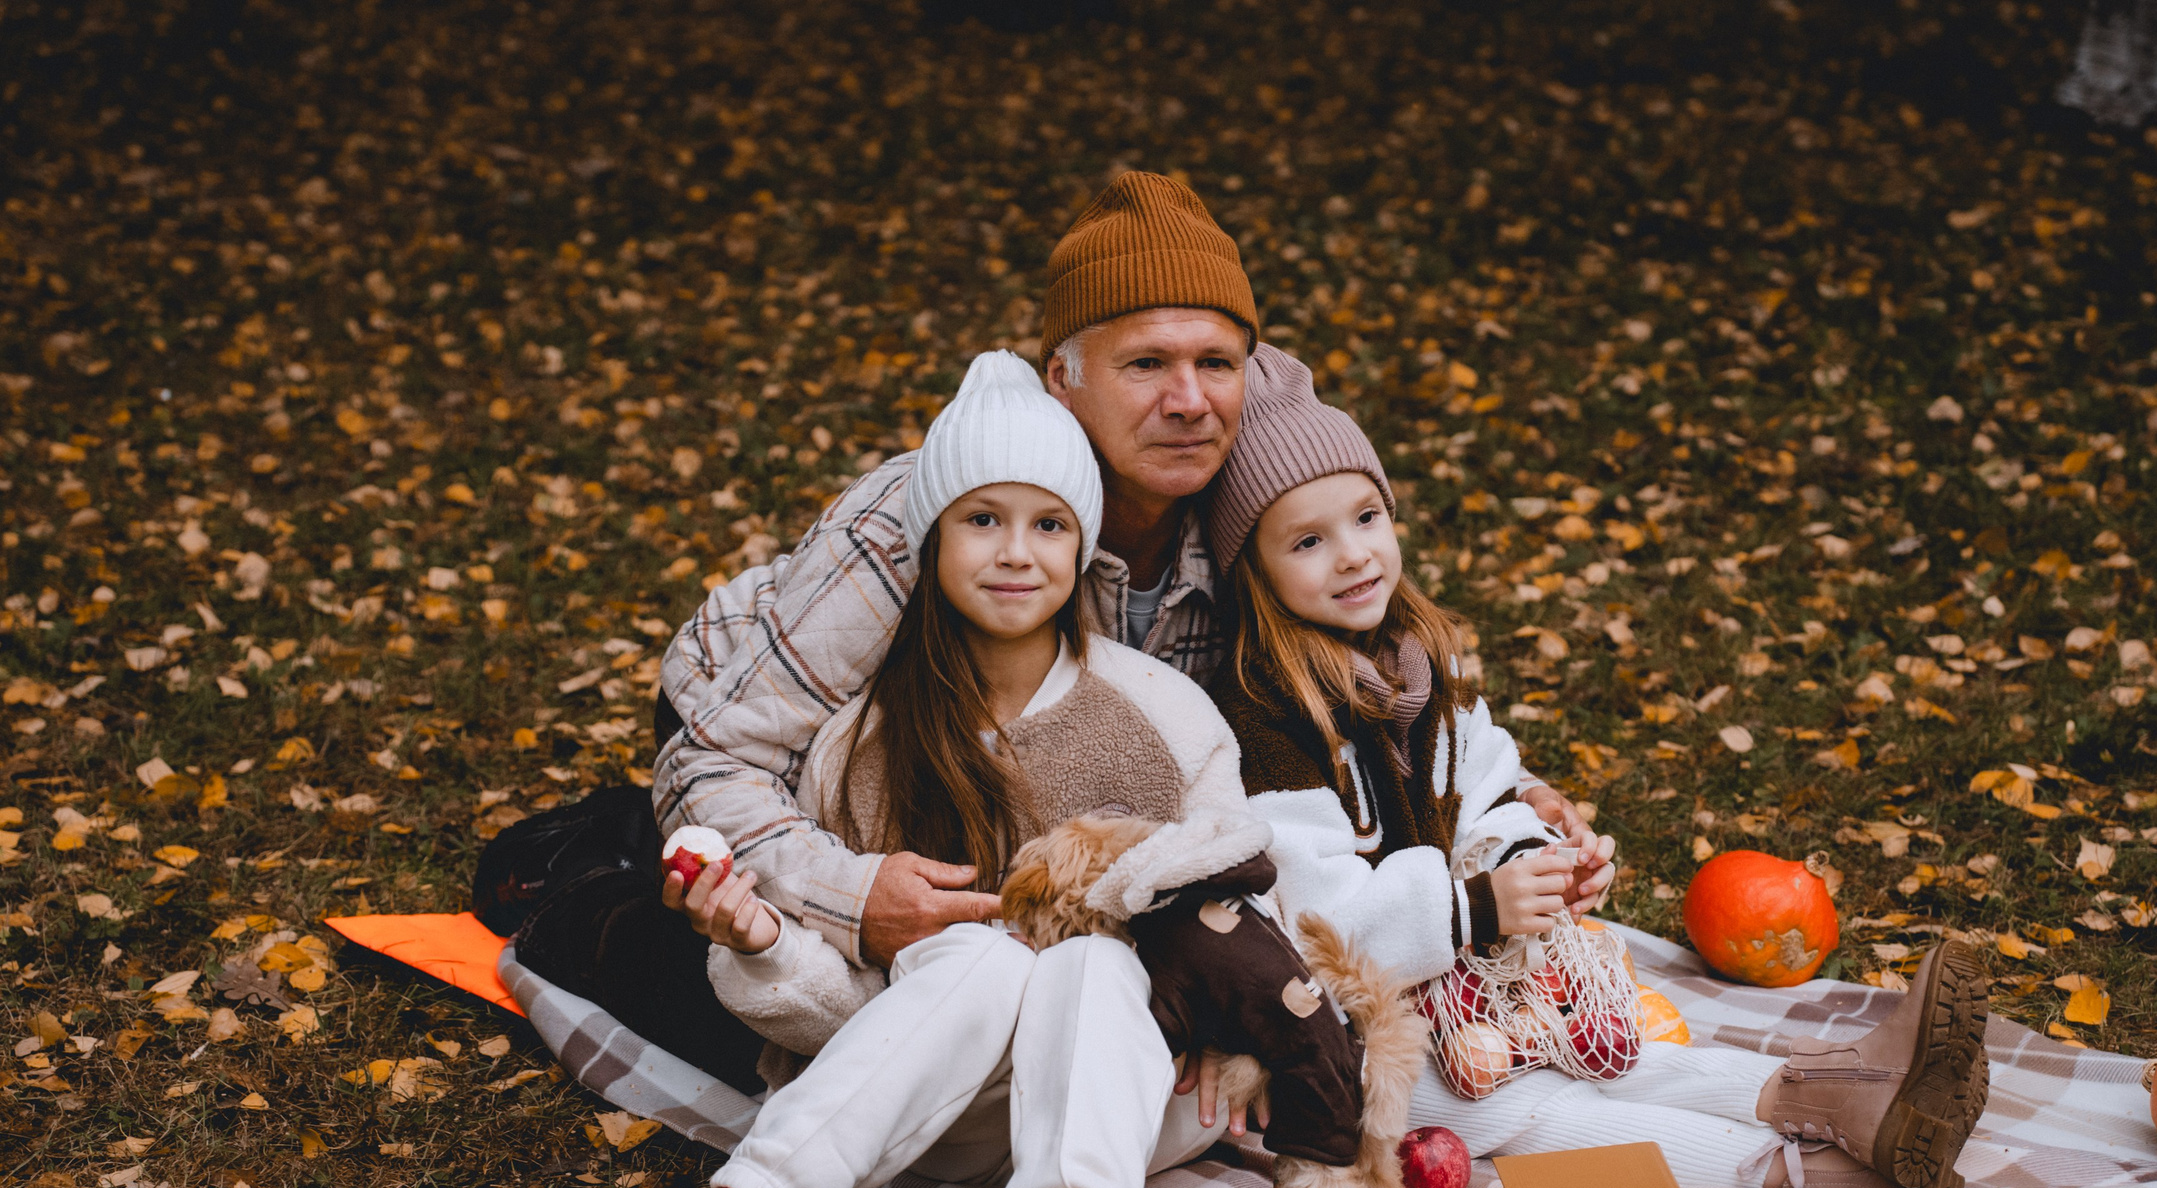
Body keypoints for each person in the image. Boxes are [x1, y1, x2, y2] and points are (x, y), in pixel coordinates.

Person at [651, 170, 1602, 1054]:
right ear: (1062, 378)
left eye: (1217, 363)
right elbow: (711, 759)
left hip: (1030, 776)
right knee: (735, 994)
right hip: (780, 726)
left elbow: (1345, 693)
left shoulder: (1247, 512)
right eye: (1146, 363)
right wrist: (850, 896)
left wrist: (1489, 811)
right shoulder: (938, 522)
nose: (1190, 402)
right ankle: (592, 888)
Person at [537, 352, 1269, 1188]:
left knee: (1084, 963)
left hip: (1119, 1094)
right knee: (976, 957)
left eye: (1046, 523)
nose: (1016, 552)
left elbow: (1237, 914)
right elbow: (841, 1009)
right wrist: (764, 944)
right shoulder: (864, 741)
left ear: (1084, 549)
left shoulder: (1164, 721)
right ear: (928, 547)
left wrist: (1246, 1037)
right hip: (917, 1099)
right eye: (981, 519)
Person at [1205, 346, 1987, 1188]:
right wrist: (1475, 908)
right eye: (1309, 541)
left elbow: (1488, 789)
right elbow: (1314, 916)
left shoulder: (1416, 655)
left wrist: (1539, 861)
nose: (1353, 556)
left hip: (1460, 987)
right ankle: (1811, 1174)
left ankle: (1846, 1098)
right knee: (1518, 1106)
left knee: (1607, 1047)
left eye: (1367, 517)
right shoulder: (1263, 715)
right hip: (1346, 1034)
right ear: (1256, 570)